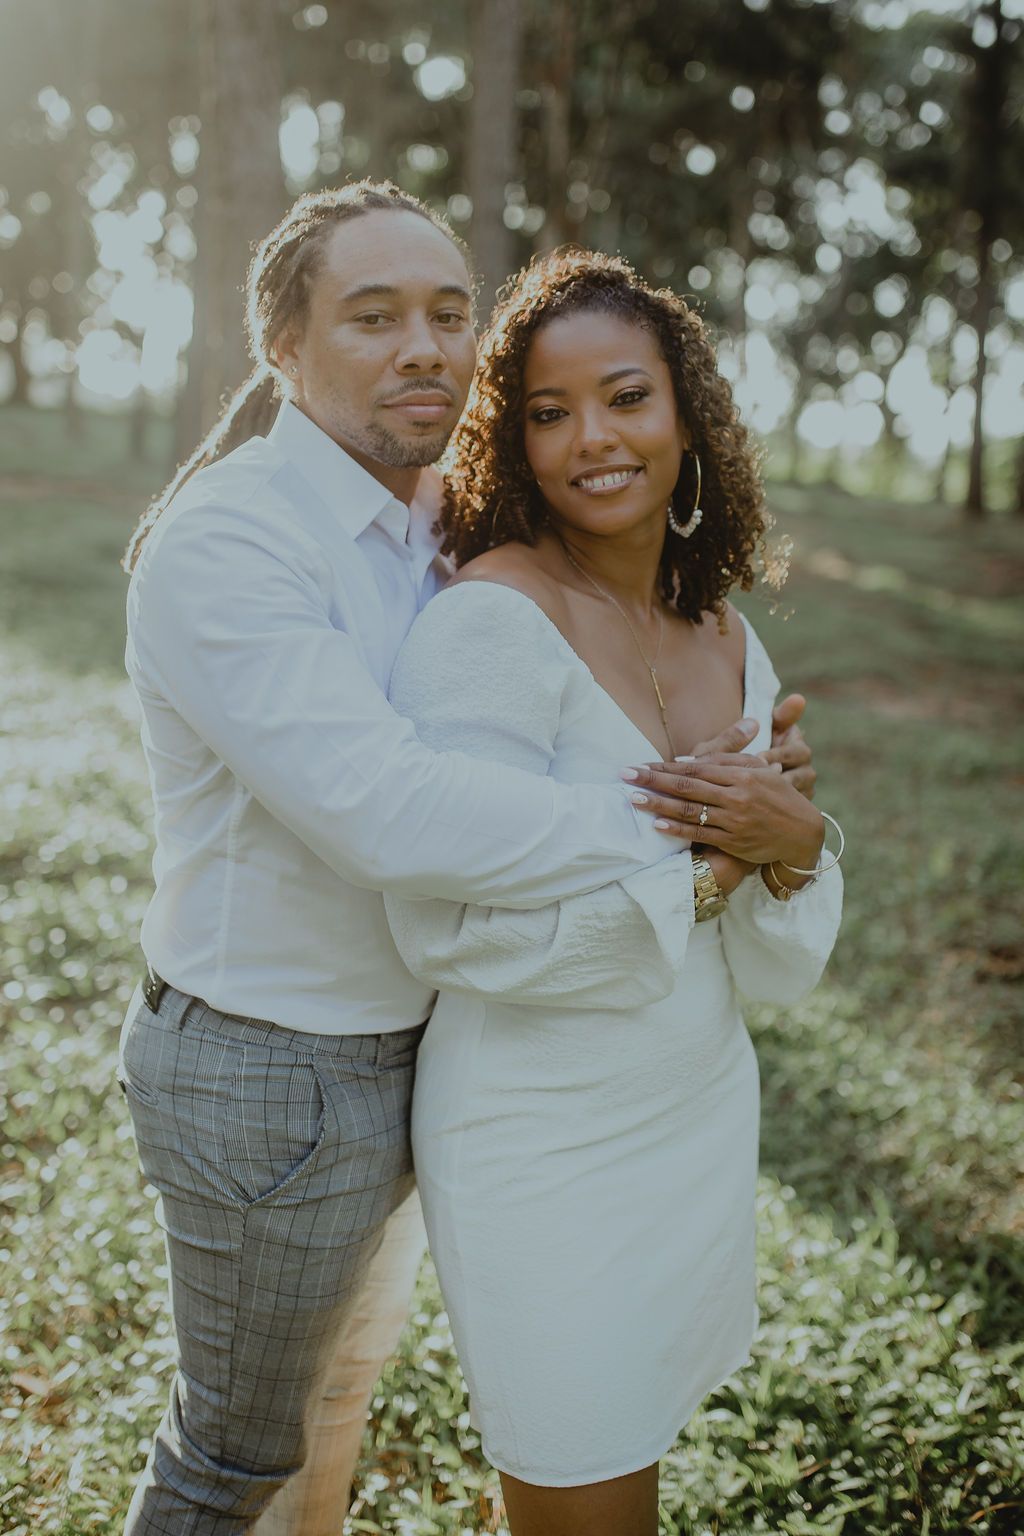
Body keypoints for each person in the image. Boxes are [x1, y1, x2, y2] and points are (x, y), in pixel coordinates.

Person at [116, 183, 815, 1536]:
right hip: (275, 1058)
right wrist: (702, 830)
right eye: (372, 318)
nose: (424, 346)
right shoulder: (235, 539)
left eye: (448, 313)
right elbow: (389, 814)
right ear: (284, 348)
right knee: (237, 1458)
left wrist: (761, 801)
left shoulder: (443, 515)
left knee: (334, 1411)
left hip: (421, 1041)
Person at [383, 247, 844, 1536]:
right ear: (512, 439)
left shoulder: (724, 632)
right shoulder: (488, 625)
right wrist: (713, 872)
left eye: (626, 397)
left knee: (617, 1467)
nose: (591, 437)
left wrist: (794, 841)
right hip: (539, 1138)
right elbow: (445, 921)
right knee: (581, 1479)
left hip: (690, 1107)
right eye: (547, 409)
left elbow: (776, 923)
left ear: (686, 414)